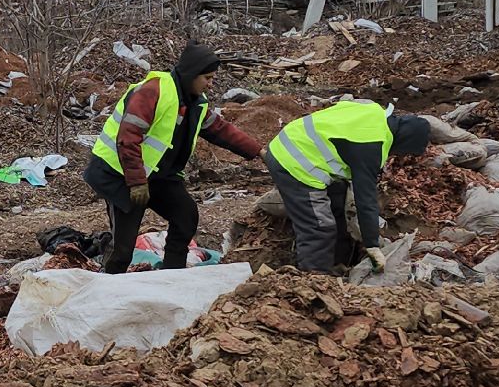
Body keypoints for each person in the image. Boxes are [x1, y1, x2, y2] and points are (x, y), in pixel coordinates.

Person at [83, 43, 263, 273]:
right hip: (121, 174)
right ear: (191, 74)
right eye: (207, 77)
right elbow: (128, 138)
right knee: (123, 249)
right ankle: (105, 287)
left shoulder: (195, 102)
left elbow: (220, 129)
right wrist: (137, 182)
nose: (210, 83)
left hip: (158, 175)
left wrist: (257, 152)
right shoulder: (153, 91)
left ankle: (173, 277)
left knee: (185, 217)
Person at [264, 98, 431, 273]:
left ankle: (338, 264)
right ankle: (313, 280)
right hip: (293, 163)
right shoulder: (371, 146)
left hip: (292, 140)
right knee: (319, 227)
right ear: (403, 142)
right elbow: (365, 200)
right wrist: (372, 245)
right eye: (402, 152)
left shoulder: (374, 111)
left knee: (338, 201)